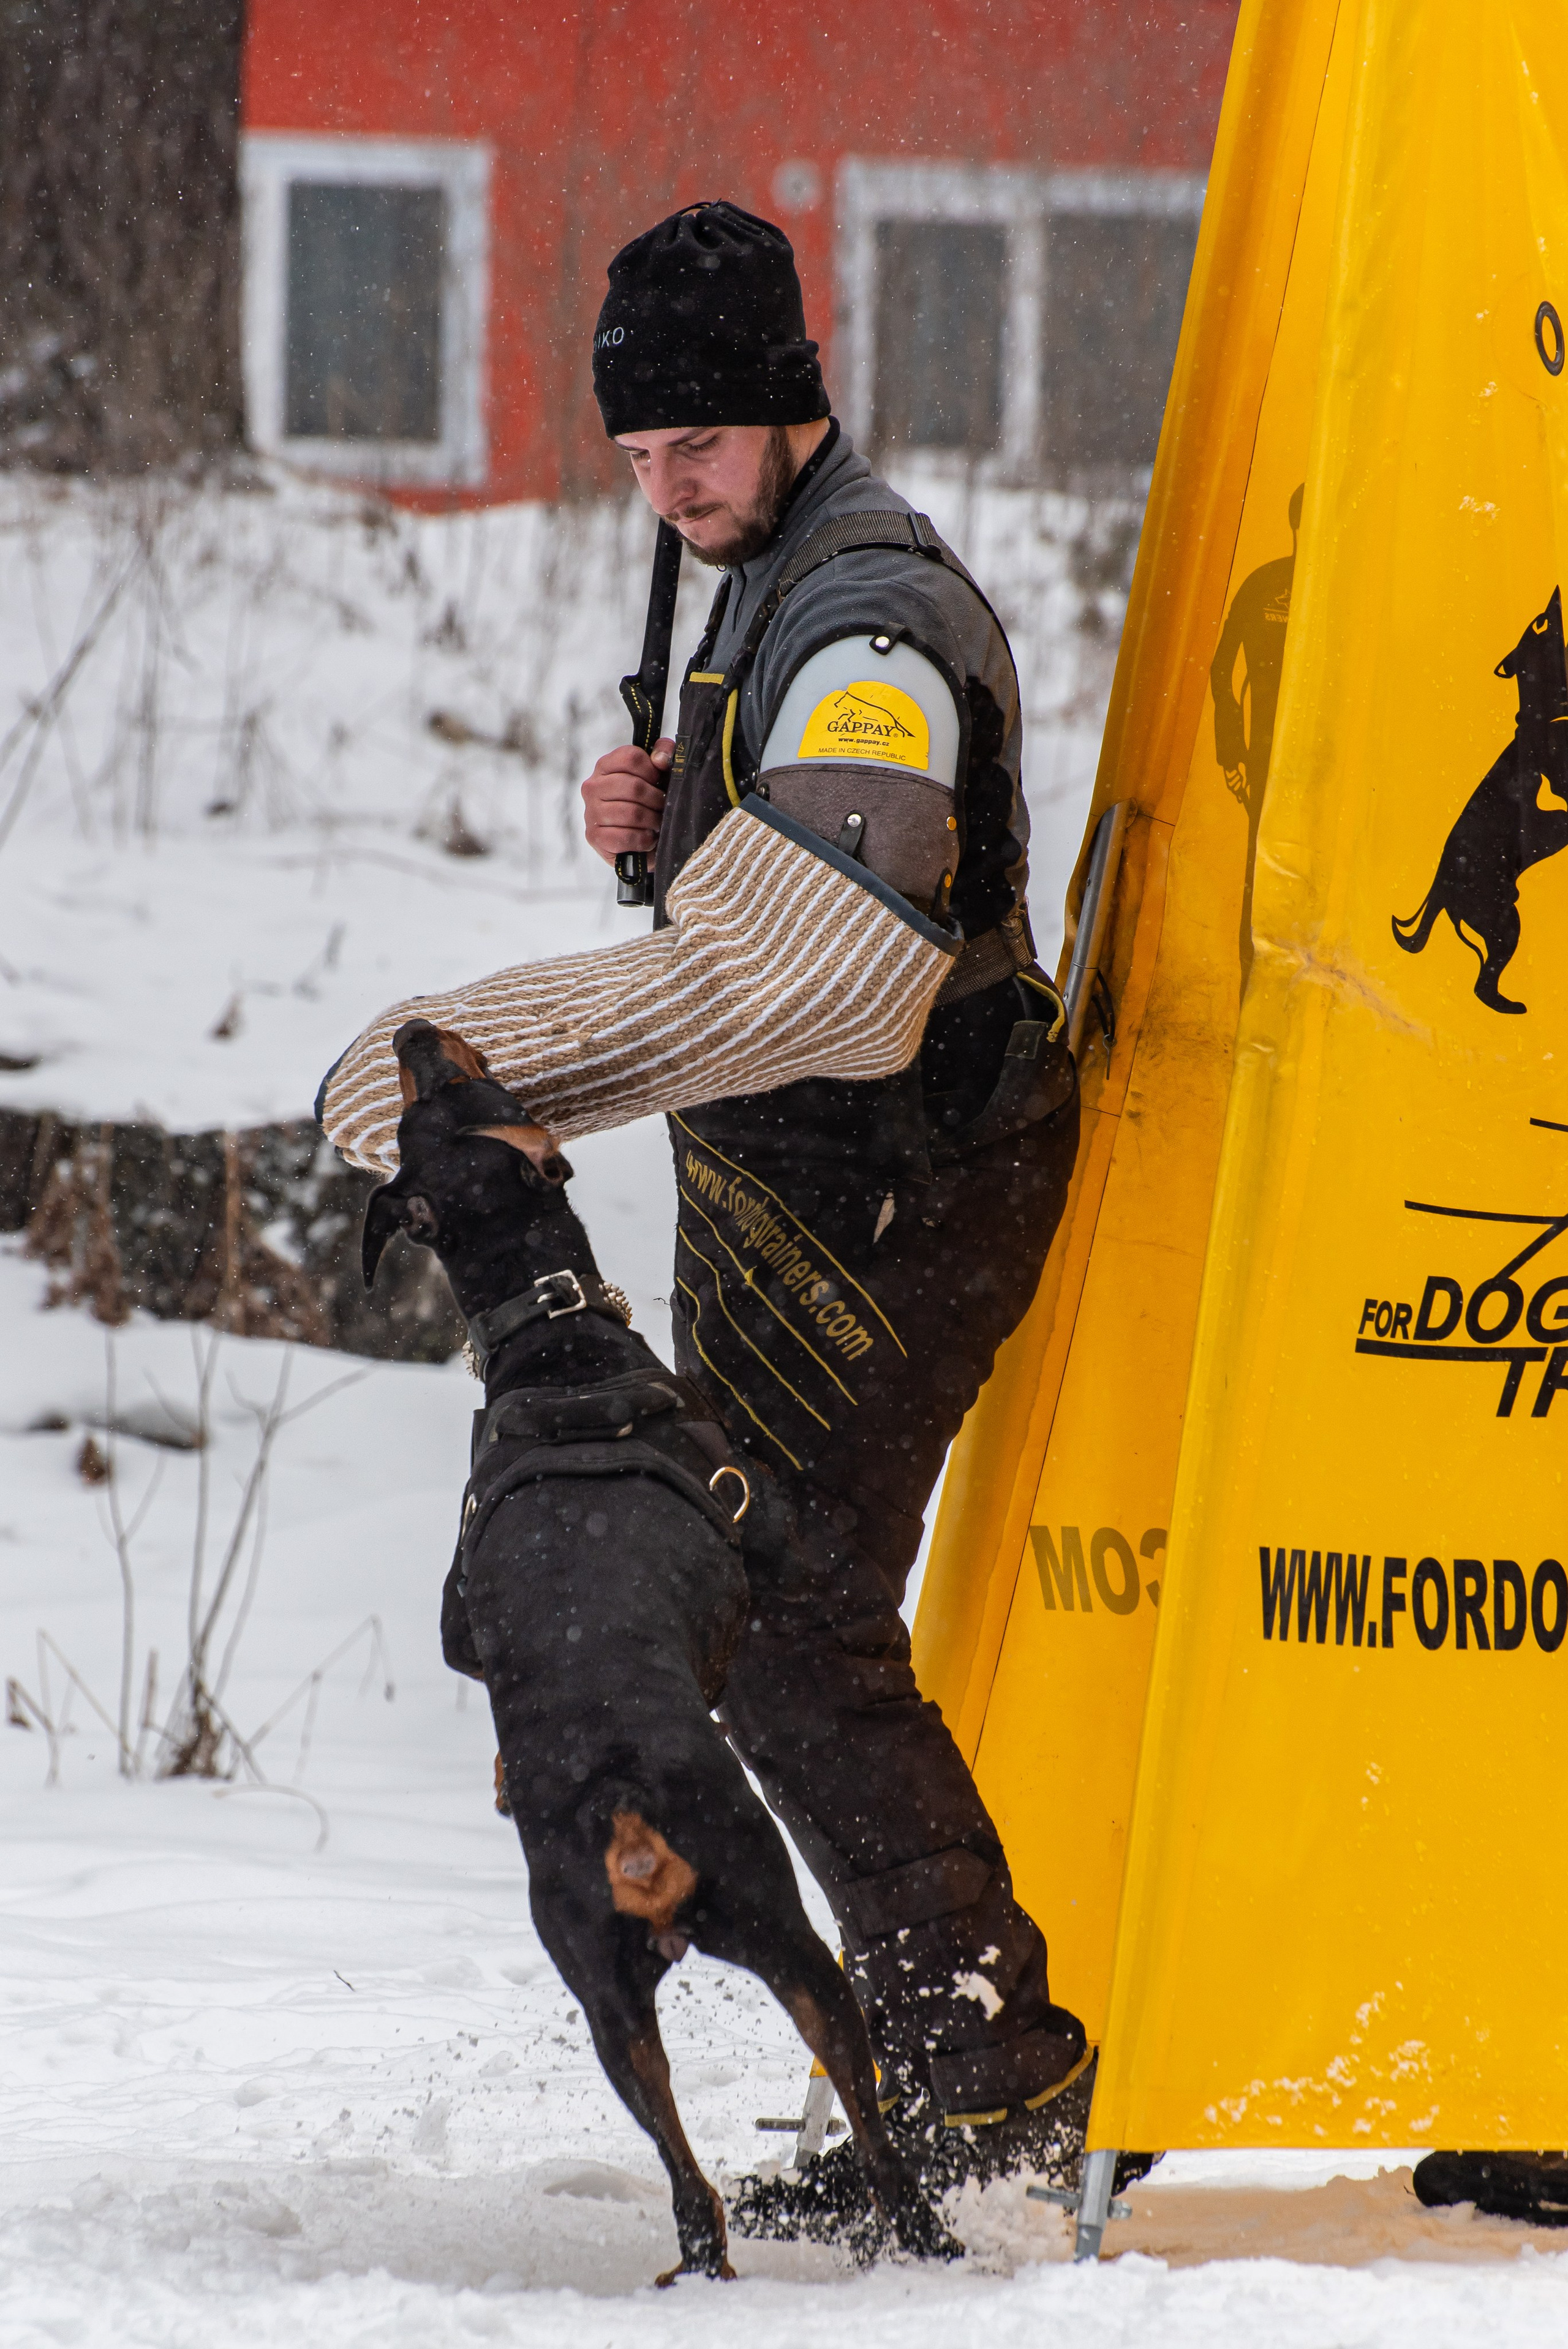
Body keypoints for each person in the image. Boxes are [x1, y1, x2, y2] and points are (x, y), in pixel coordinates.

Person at [319, 199, 1099, 2232]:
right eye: (643, 464)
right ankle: (946, 2072)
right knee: (764, 1613)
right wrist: (669, 820)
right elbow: (770, 877)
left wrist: (493, 1063)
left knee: (798, 1613)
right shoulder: (745, 578)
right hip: (789, 1172)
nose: (672, 494)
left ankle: (992, 2094)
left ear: (790, 406)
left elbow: (828, 955)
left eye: (703, 454)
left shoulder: (871, 615)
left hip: (921, 1172)